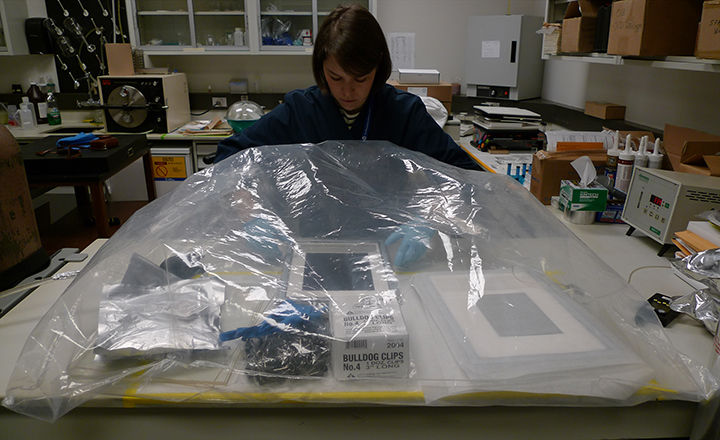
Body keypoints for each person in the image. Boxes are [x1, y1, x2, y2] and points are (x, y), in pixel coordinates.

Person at [214, 4, 479, 171]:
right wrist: (244, 195)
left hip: (390, 241)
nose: (347, 92)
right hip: (315, 241)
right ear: (321, 69)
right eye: (336, 77)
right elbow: (230, 153)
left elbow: (465, 174)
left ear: (378, 69)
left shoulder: (404, 113)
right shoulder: (301, 110)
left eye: (360, 79)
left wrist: (425, 223)